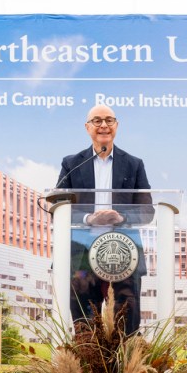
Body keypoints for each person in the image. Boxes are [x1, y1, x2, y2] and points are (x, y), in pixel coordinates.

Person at [56, 103, 152, 335]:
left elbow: (147, 211)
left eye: (109, 120)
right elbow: (57, 206)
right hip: (81, 258)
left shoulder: (134, 164)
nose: (103, 125)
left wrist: (121, 217)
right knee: (85, 326)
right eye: (97, 121)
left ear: (116, 126)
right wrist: (89, 218)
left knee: (125, 327)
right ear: (87, 127)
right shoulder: (71, 163)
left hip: (123, 254)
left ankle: (125, 370)